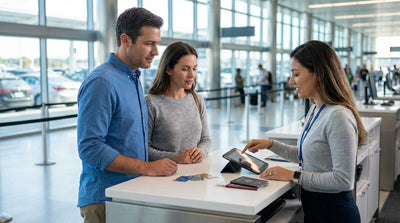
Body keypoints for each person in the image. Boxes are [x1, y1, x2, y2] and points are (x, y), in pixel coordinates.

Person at [242, 40, 367, 223]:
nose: (291, 81)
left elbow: (343, 180)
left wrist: (293, 175)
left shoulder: (338, 116)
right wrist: (271, 145)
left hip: (335, 214)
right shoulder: (315, 108)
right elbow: (308, 156)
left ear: (318, 73)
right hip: (316, 209)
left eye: (296, 74)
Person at [77, 7, 178, 223]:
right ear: (125, 40)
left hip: (131, 193)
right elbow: (90, 147)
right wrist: (147, 167)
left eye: (157, 44)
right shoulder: (101, 82)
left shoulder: (133, 78)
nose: (156, 52)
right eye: (149, 44)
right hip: (105, 200)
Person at [145, 41, 211, 164]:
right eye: (185, 69)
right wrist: (175, 157)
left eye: (194, 68)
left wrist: (201, 152)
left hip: (195, 175)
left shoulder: (198, 100)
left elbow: (206, 139)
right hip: (164, 177)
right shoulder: (151, 102)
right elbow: (144, 149)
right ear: (168, 69)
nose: (192, 75)